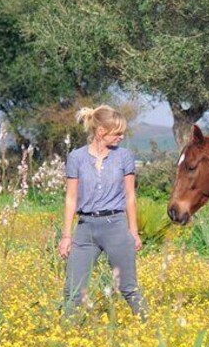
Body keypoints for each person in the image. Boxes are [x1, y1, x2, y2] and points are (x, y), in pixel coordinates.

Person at [59, 105, 147, 318]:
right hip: (84, 229)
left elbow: (130, 197)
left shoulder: (124, 156)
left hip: (115, 227)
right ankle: (64, 337)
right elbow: (71, 198)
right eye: (117, 133)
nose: (121, 136)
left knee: (128, 288)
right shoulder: (76, 158)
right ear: (100, 132)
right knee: (73, 291)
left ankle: (150, 329)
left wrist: (133, 231)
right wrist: (66, 236)